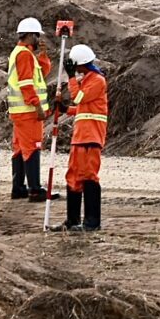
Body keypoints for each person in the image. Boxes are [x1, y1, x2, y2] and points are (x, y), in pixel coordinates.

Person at [56, 43, 109, 232]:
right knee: (73, 176)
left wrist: (70, 77)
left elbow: (79, 98)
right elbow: (80, 107)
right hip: (80, 137)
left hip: (91, 137)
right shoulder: (87, 79)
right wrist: (64, 109)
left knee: (89, 177)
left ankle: (92, 222)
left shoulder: (97, 80)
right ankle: (72, 220)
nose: (74, 69)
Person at [6, 18, 53, 203]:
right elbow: (26, 84)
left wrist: (42, 54)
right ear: (31, 35)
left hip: (20, 112)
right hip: (28, 112)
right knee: (33, 147)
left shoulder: (21, 53)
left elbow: (40, 74)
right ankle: (35, 189)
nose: (38, 39)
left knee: (19, 149)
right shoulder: (24, 55)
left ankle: (18, 188)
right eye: (37, 36)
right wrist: (37, 106)